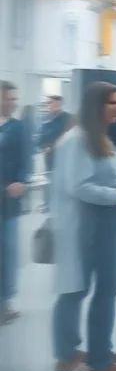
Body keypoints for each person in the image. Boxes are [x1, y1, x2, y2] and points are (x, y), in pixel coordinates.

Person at [52, 82, 116, 371]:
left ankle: (73, 353)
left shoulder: (96, 137)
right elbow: (79, 186)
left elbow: (97, 180)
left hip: (103, 224)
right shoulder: (77, 140)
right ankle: (99, 362)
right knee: (102, 289)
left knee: (81, 289)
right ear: (95, 106)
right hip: (91, 227)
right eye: (112, 103)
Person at [0, 82, 30, 324]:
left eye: (14, 98)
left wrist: (22, 181)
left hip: (7, 200)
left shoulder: (18, 128)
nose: (13, 102)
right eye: (8, 98)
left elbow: (25, 159)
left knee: (7, 251)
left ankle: (5, 302)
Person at [38, 94, 72, 173]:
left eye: (50, 102)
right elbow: (41, 134)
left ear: (58, 104)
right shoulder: (46, 118)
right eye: (47, 103)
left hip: (63, 156)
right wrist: (42, 146)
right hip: (49, 157)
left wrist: (53, 146)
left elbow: (68, 137)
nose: (48, 105)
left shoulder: (67, 118)